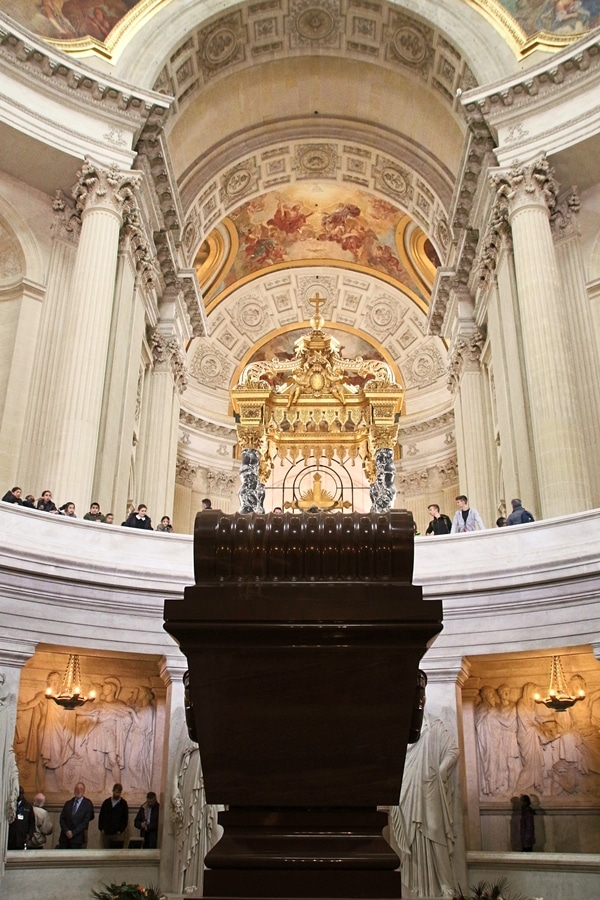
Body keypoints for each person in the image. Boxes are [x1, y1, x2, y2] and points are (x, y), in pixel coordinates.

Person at [58, 782, 94, 848]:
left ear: (84, 791)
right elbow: (62, 819)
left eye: (81, 789)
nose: (78, 790)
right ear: (74, 790)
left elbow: (85, 822)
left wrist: (73, 833)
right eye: (77, 789)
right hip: (64, 839)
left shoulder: (87, 805)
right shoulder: (68, 803)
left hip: (77, 839)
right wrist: (66, 831)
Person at [98, 783, 129, 848]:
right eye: (116, 792)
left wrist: (120, 830)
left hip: (117, 834)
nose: (117, 794)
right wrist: (101, 828)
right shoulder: (106, 802)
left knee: (116, 852)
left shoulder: (123, 804)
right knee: (106, 851)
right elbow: (101, 816)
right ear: (113, 791)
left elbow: (125, 819)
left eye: (118, 792)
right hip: (106, 832)